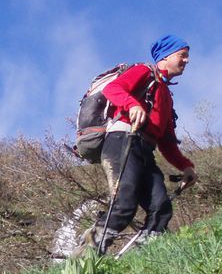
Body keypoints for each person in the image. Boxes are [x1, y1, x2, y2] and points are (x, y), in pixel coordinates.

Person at [77, 34, 198, 254]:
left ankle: (143, 256)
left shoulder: (166, 96)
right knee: (125, 203)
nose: (187, 60)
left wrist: (186, 166)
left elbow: (167, 142)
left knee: (161, 208)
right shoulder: (144, 71)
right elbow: (113, 89)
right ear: (165, 57)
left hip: (144, 150)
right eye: (182, 55)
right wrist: (132, 105)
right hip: (122, 139)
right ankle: (85, 256)